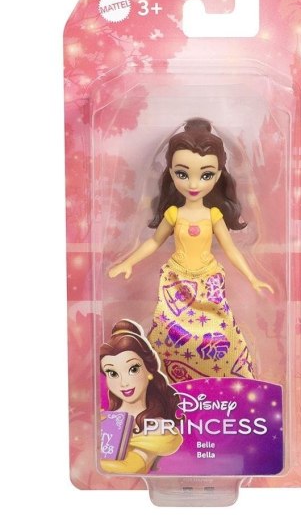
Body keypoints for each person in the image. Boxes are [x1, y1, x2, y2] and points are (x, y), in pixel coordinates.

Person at [109, 118, 273, 383]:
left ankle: (226, 379)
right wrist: (128, 262)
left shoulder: (213, 215)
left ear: (218, 175)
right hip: (176, 280)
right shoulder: (174, 213)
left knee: (218, 328)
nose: (194, 184)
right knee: (168, 331)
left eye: (206, 175)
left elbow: (231, 249)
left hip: (208, 281)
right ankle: (163, 381)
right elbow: (154, 242)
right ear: (172, 173)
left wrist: (253, 278)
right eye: (182, 174)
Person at [99, 319, 182, 473]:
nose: (124, 383)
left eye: (133, 369)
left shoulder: (157, 426)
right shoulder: (104, 418)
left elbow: (132, 468)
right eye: (112, 373)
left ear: (149, 370)